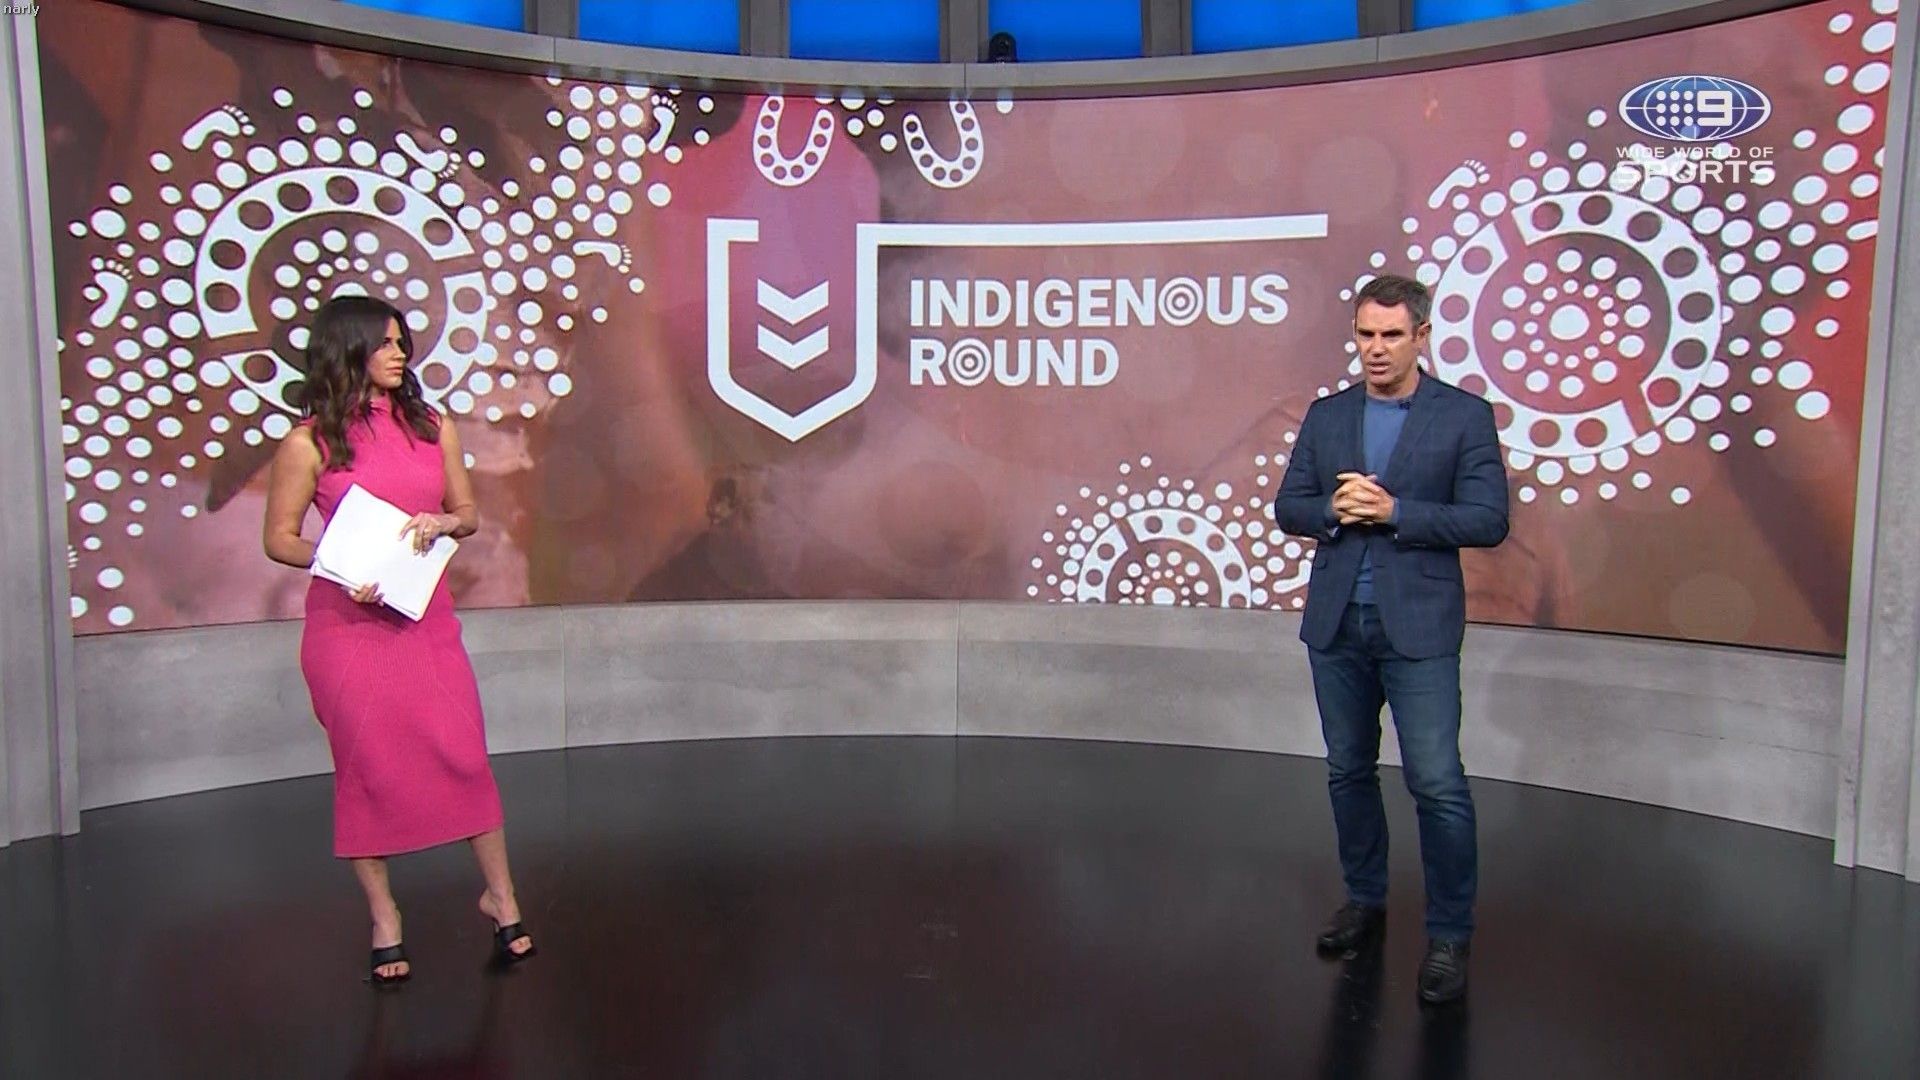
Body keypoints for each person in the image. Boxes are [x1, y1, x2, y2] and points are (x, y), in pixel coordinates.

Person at [263, 295, 536, 985]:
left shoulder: (432, 427)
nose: (399, 354)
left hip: (425, 619)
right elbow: (280, 539)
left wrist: (442, 523)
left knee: (463, 754)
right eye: (384, 343)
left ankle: (501, 898)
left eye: (400, 343)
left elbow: (467, 512)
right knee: (368, 768)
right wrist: (339, 563)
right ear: (347, 350)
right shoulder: (307, 444)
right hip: (348, 628)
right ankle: (385, 917)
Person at [1273, 274, 1509, 1005]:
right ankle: (1365, 900)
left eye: (1391, 335)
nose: (1375, 349)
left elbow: (1488, 519)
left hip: (1419, 627)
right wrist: (1333, 509)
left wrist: (1397, 511)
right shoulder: (1328, 415)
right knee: (1348, 770)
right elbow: (1289, 507)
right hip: (1337, 623)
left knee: (1436, 782)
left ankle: (1449, 934)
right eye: (1365, 335)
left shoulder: (1463, 415)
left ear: (1421, 337)